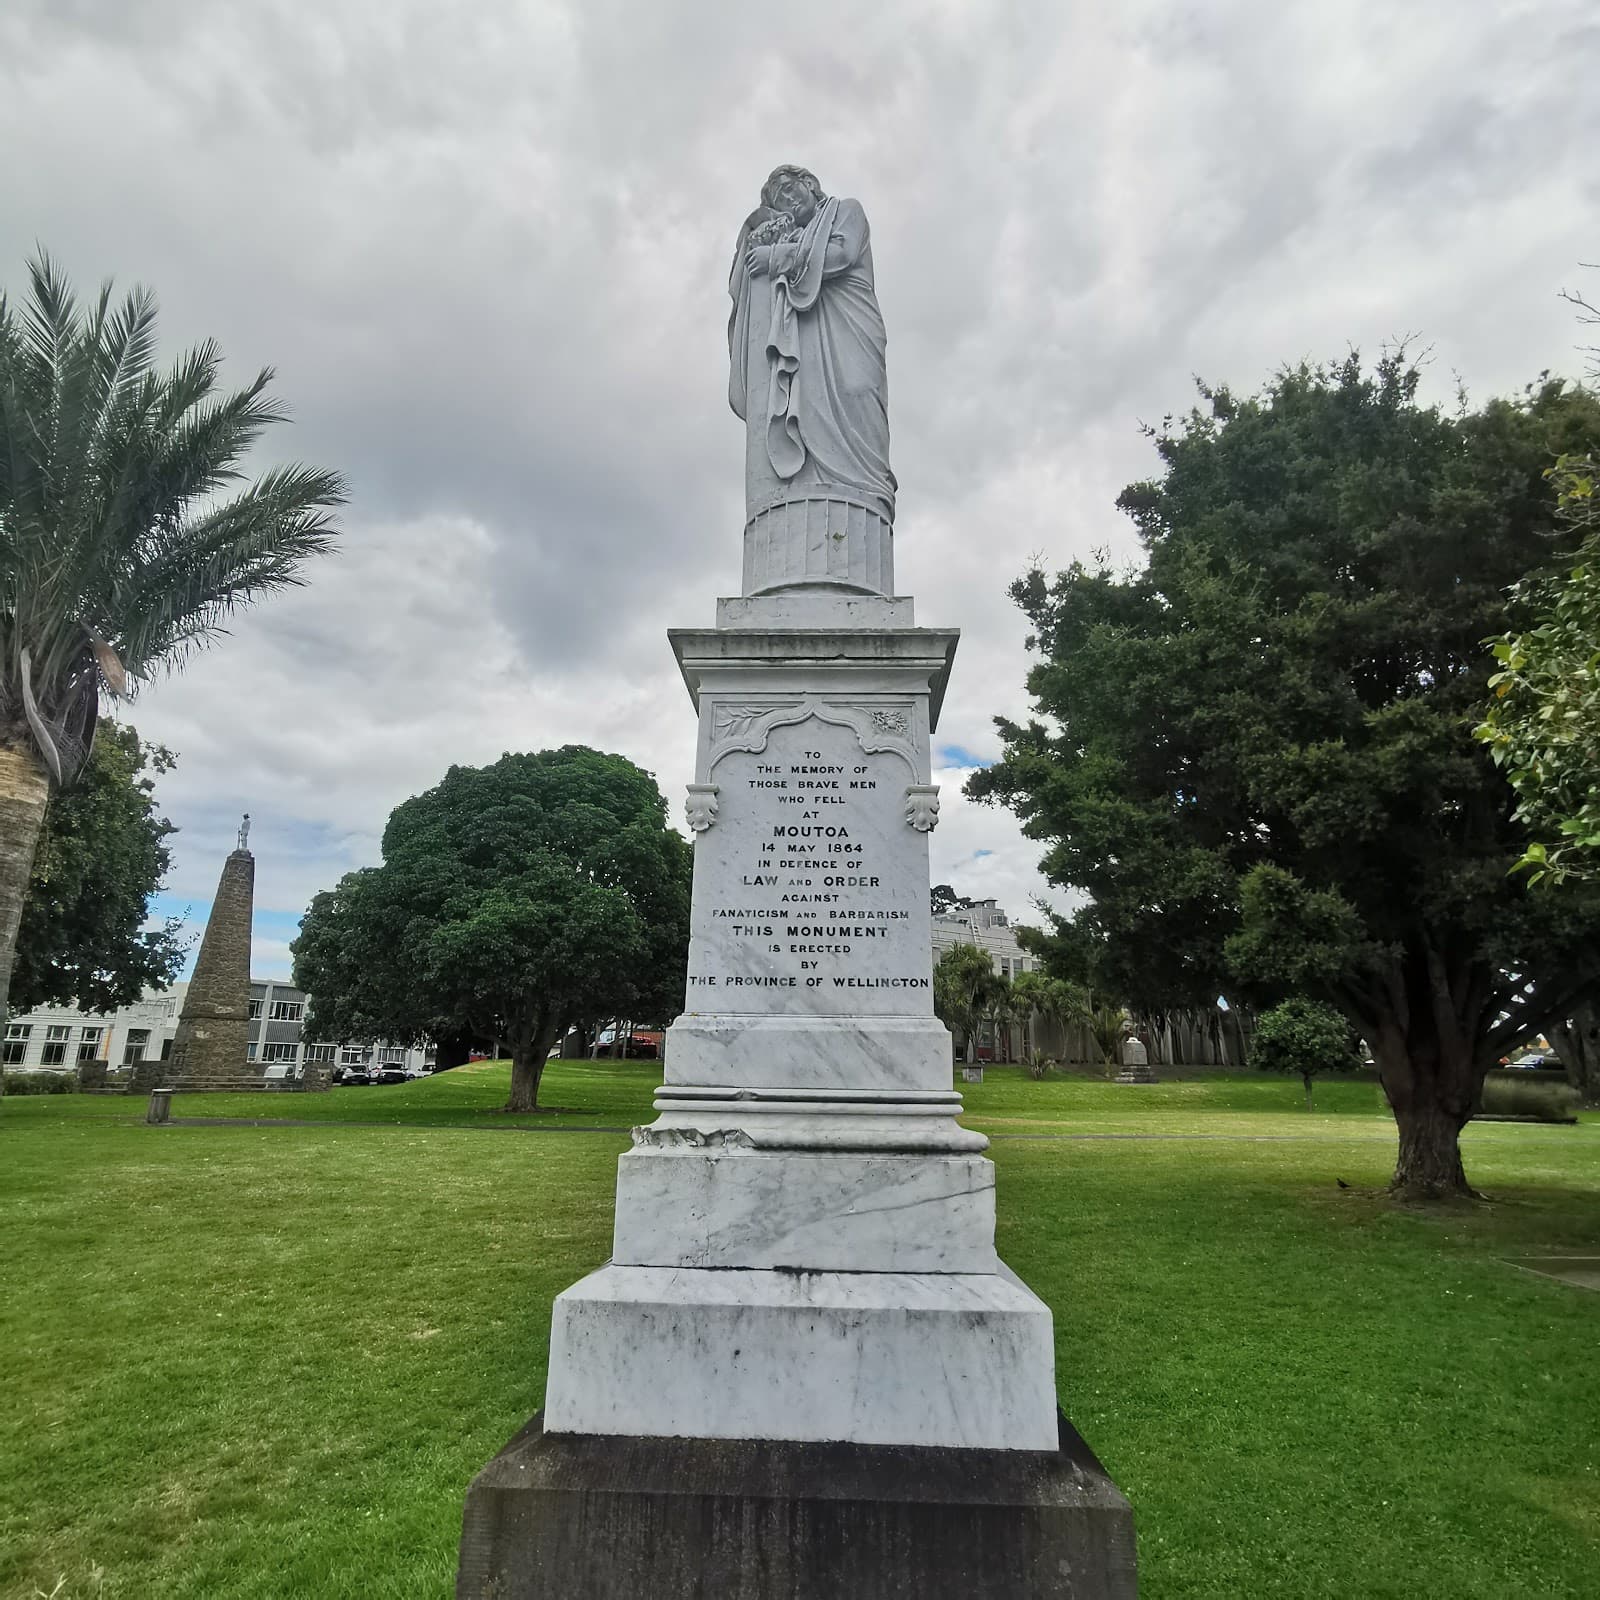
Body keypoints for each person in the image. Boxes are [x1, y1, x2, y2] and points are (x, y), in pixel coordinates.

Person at [728, 165, 896, 530]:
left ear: (809, 185)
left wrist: (778, 258)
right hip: (808, 346)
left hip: (851, 329)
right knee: (807, 406)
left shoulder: (845, 211)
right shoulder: (795, 236)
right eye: (777, 198)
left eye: (789, 188)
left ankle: (865, 489)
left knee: (859, 393)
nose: (785, 199)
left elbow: (841, 254)